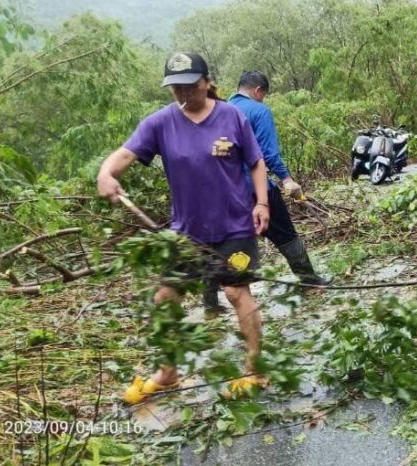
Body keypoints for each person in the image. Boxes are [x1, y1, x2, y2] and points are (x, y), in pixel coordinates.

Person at [96, 52, 269, 403]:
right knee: (165, 298)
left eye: (190, 85)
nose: (183, 93)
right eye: (176, 87)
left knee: (237, 294)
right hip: (186, 233)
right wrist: (106, 172)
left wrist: (262, 203)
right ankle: (168, 372)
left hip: (234, 228)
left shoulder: (232, 116)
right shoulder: (160, 123)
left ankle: (256, 368)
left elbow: (256, 163)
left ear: (207, 82)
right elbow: (125, 154)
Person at [200, 71, 331, 314]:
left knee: (220, 244)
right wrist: (287, 179)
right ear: (259, 91)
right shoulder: (259, 111)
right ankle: (309, 281)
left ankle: (210, 302)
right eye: (264, 95)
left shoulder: (222, 109)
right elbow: (267, 154)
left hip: (223, 192)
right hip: (254, 188)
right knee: (285, 233)